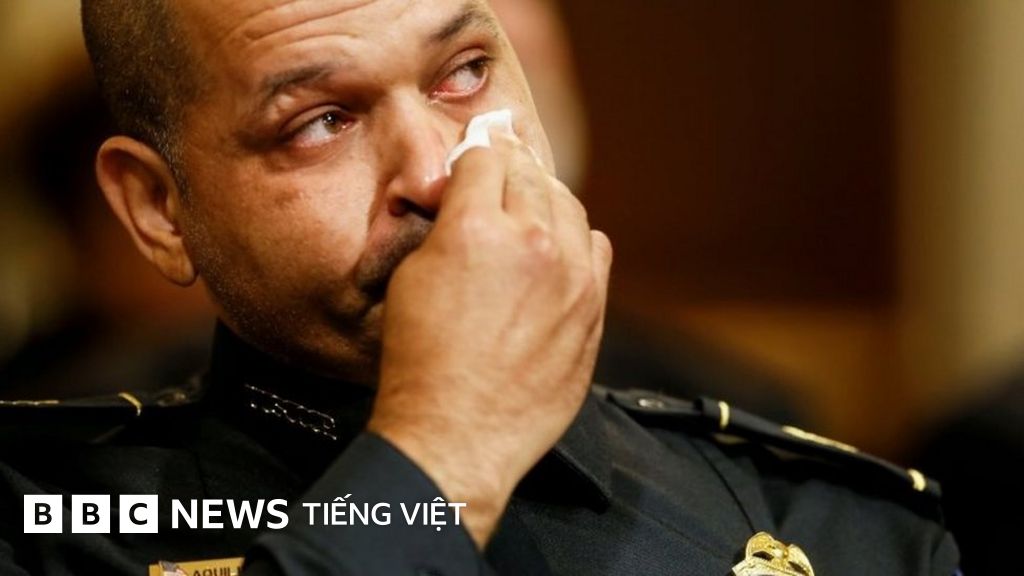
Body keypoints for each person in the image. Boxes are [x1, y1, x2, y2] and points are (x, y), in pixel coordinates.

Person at [0, 1, 958, 574]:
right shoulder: (46, 523)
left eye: (464, 73)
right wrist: (446, 452)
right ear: (159, 209)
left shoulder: (833, 527)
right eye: (321, 121)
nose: (434, 171)